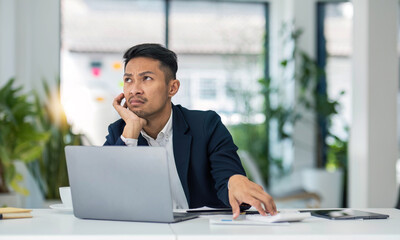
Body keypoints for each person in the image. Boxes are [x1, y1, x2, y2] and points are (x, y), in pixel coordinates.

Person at [104, 43, 276, 219]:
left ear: (172, 88)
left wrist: (235, 182)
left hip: (200, 231)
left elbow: (228, 177)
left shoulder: (206, 125)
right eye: (128, 80)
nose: (134, 90)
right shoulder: (120, 132)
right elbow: (105, 194)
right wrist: (130, 133)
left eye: (146, 78)